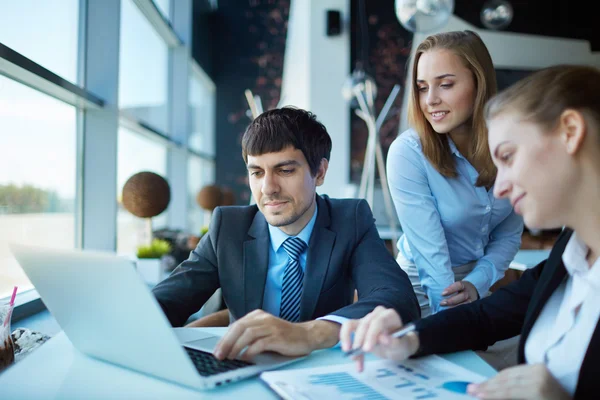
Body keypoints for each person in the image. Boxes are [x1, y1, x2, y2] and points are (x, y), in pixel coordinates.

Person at [341, 65, 600, 399]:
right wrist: (409, 336)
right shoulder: (570, 254)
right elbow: (487, 316)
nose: (501, 187)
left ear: (570, 130)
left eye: (508, 156)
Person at [152, 106, 420, 361]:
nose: (268, 188)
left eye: (285, 170)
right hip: (242, 366)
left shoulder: (350, 220)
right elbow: (166, 303)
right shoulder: (228, 227)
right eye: (257, 172)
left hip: (318, 369)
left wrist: (311, 332)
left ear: (320, 172)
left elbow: (397, 298)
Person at [387, 30, 523, 317]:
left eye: (445, 84)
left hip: (477, 290)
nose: (431, 100)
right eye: (422, 88)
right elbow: (432, 261)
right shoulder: (408, 154)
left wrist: (477, 282)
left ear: (479, 83)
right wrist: (451, 326)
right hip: (419, 294)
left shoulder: (514, 146)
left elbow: (508, 236)